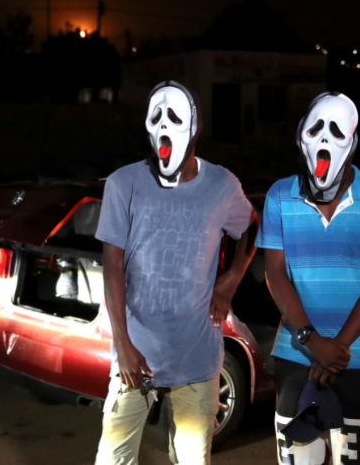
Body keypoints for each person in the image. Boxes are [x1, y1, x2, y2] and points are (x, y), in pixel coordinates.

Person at [94, 81, 259, 465]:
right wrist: (123, 346)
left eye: (175, 117)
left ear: (195, 126)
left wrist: (232, 279)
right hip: (136, 356)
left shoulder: (220, 184)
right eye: (156, 117)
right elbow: (112, 264)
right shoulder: (123, 184)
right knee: (113, 459)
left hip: (197, 358)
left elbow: (252, 226)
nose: (165, 127)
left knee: (190, 459)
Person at [256, 92, 360, 465]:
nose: (324, 138)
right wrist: (312, 340)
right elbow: (274, 273)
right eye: (316, 127)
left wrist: (333, 348)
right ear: (300, 136)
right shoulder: (279, 196)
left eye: (337, 131)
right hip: (295, 352)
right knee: (298, 458)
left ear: (352, 144)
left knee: (357, 460)